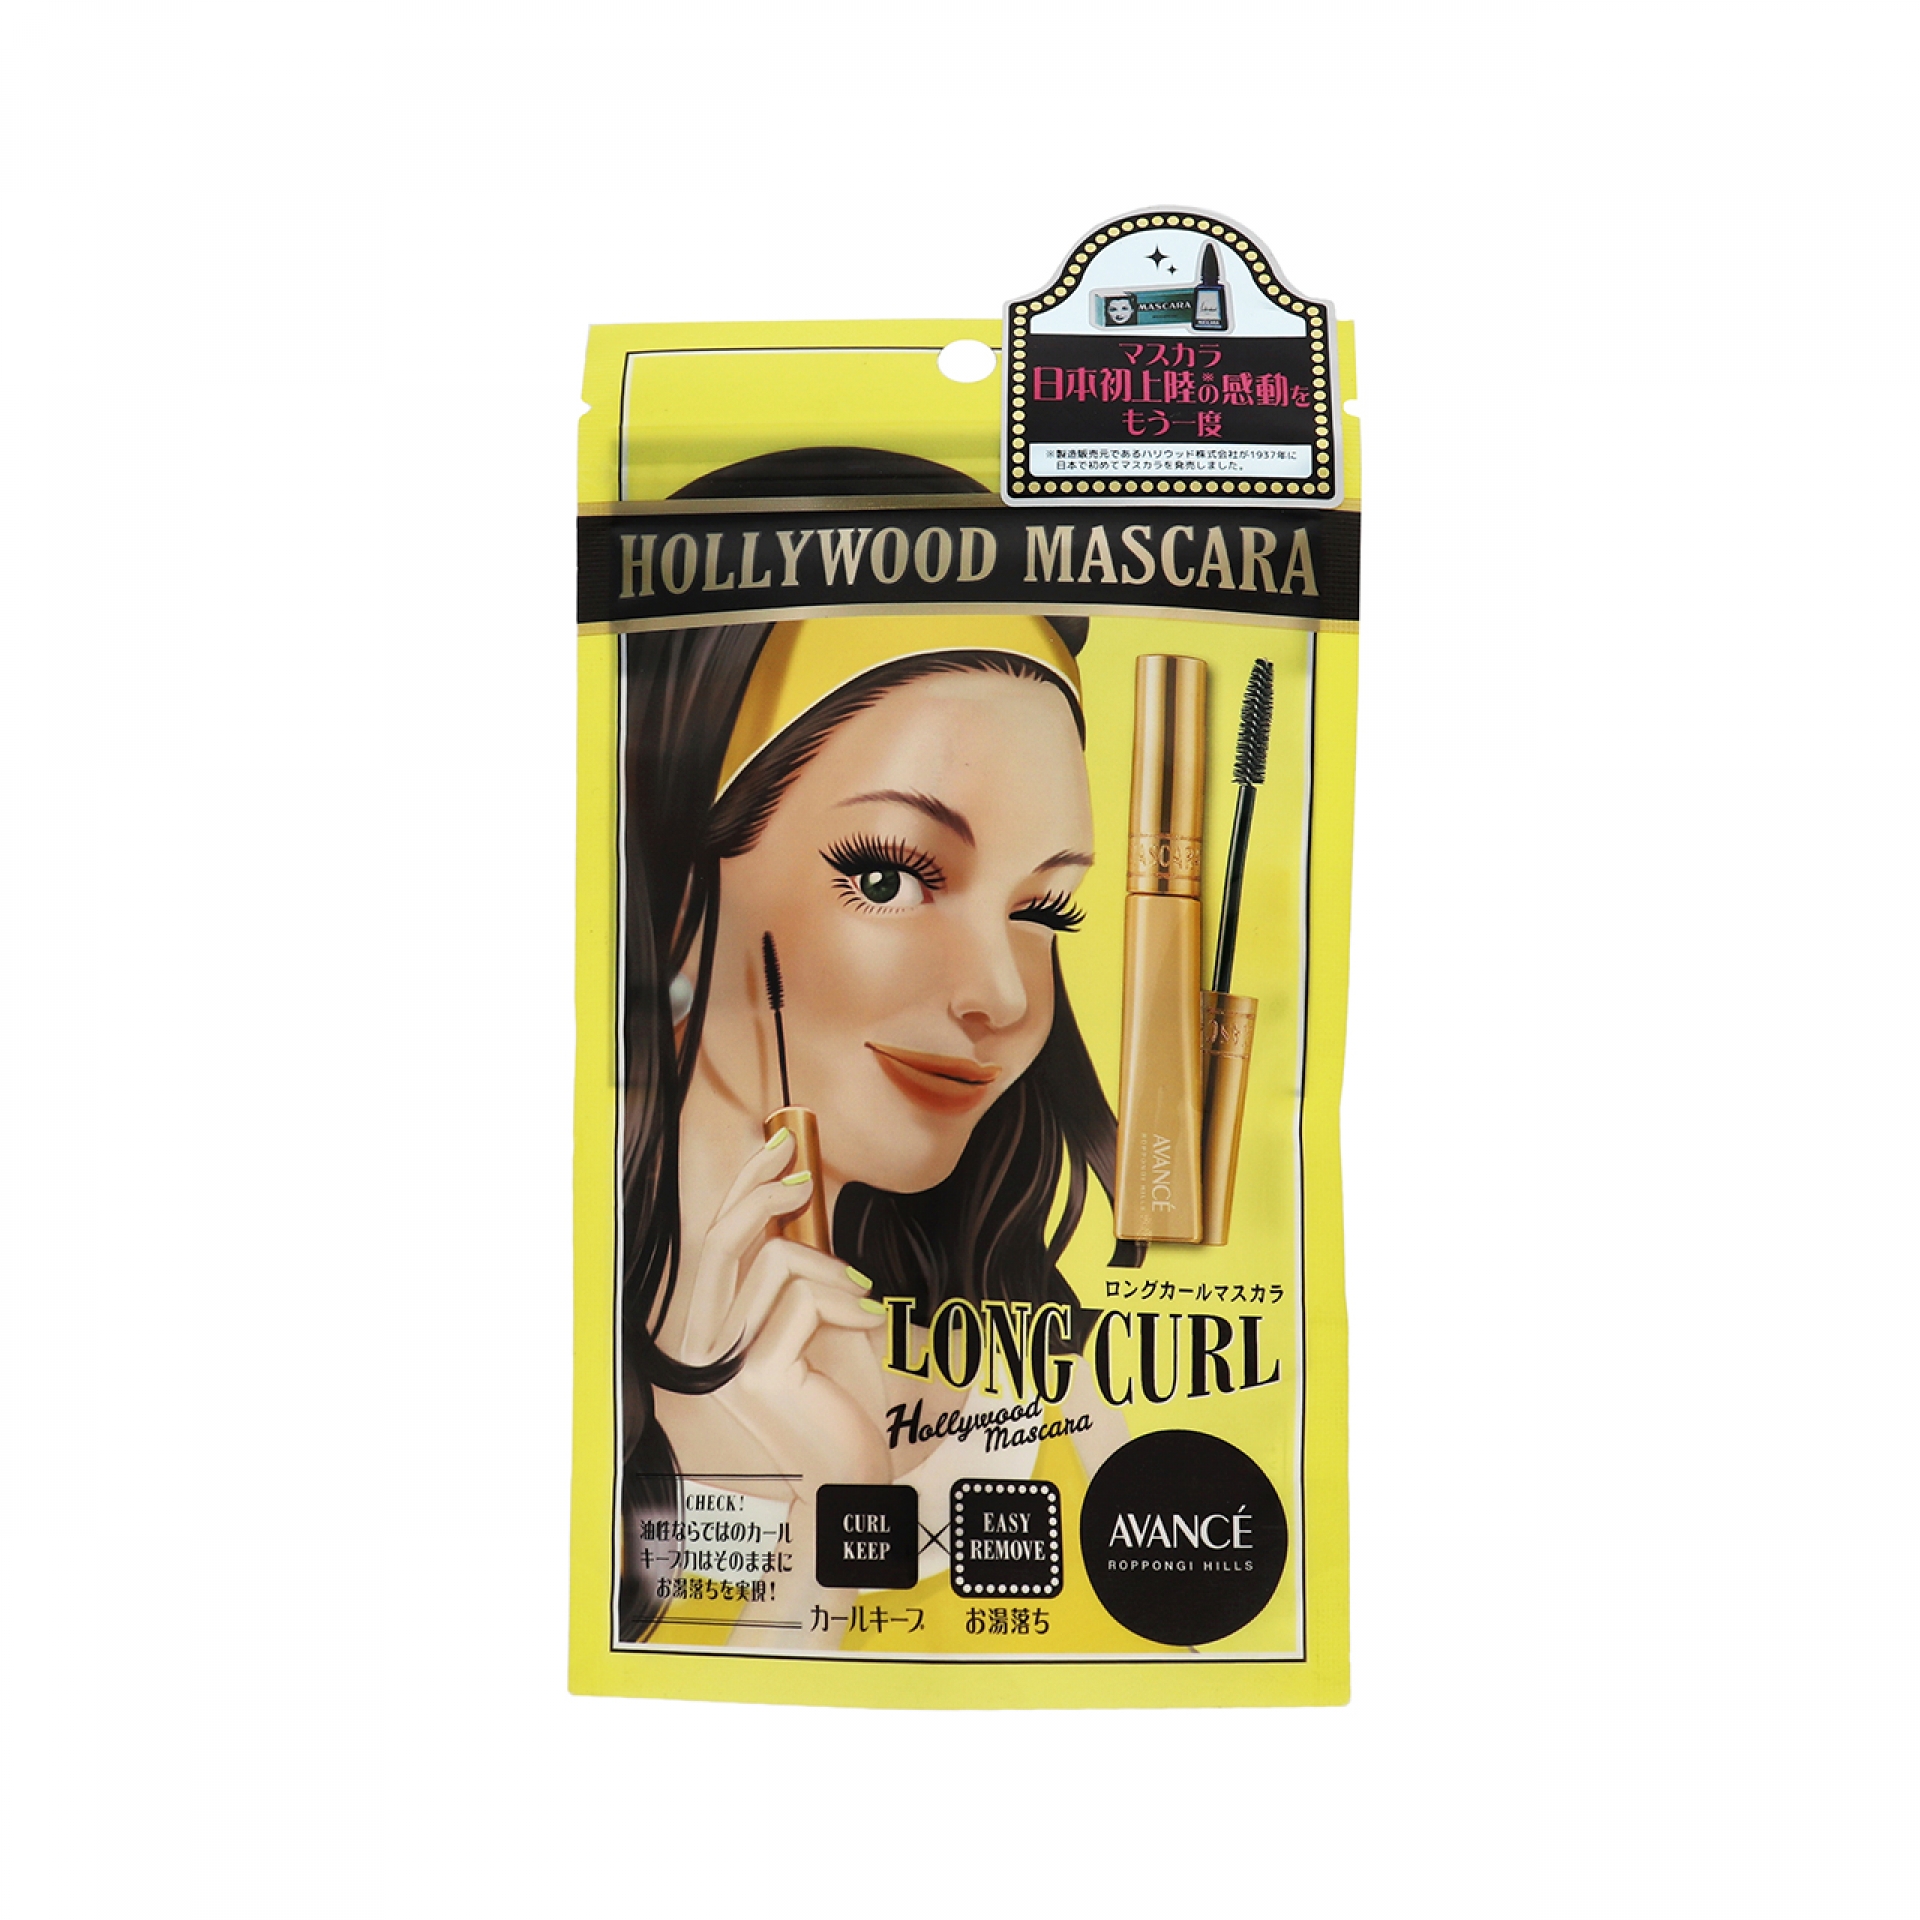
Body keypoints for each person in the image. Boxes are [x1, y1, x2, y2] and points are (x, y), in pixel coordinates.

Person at [615, 458, 1124, 1644]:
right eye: (891, 877)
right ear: (672, 890)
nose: (1003, 994)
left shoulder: (1053, 1412)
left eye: (1043, 910)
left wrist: (838, 1503)